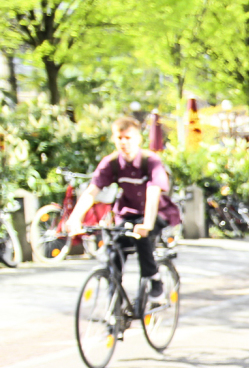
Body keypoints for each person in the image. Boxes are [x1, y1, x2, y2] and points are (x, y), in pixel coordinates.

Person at [66, 116, 182, 297]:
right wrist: (75, 218)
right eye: (119, 138)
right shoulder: (111, 163)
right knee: (114, 247)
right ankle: (115, 302)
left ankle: (154, 279)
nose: (123, 142)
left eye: (128, 138)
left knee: (141, 236)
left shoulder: (150, 161)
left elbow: (153, 194)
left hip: (157, 212)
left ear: (138, 139)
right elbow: (92, 192)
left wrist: (147, 224)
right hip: (128, 212)